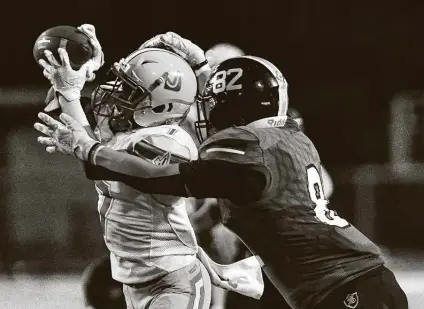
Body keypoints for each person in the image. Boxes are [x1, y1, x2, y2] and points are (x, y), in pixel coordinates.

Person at [35, 32, 408, 309]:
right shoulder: (282, 136)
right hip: (351, 284)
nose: (205, 109)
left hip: (345, 291)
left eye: (213, 100)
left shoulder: (246, 149)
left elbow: (163, 174)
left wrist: (91, 148)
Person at [37, 27, 212, 309]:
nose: (112, 93)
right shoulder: (125, 133)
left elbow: (110, 164)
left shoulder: (171, 140)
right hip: (135, 282)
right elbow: (62, 119)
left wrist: (86, 142)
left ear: (159, 106)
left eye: (129, 91)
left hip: (174, 282)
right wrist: (73, 79)